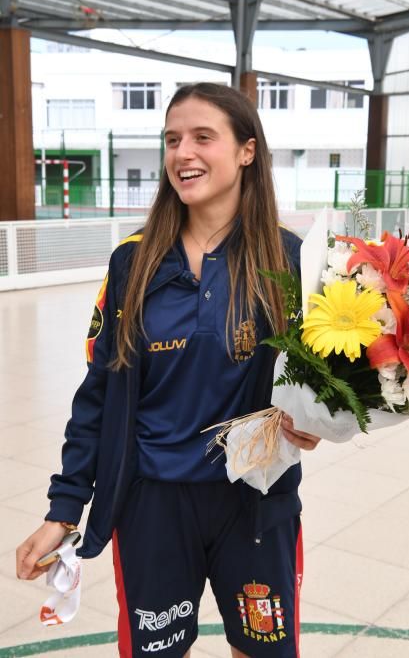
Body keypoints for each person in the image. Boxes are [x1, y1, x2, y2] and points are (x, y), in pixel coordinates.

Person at [16, 83, 320, 658]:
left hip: (255, 505)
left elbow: (319, 380)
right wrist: (64, 510)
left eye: (203, 137)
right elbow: (99, 393)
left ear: (247, 151)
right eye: (172, 140)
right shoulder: (133, 260)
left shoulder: (292, 261)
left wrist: (316, 422)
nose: (184, 153)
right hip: (152, 505)